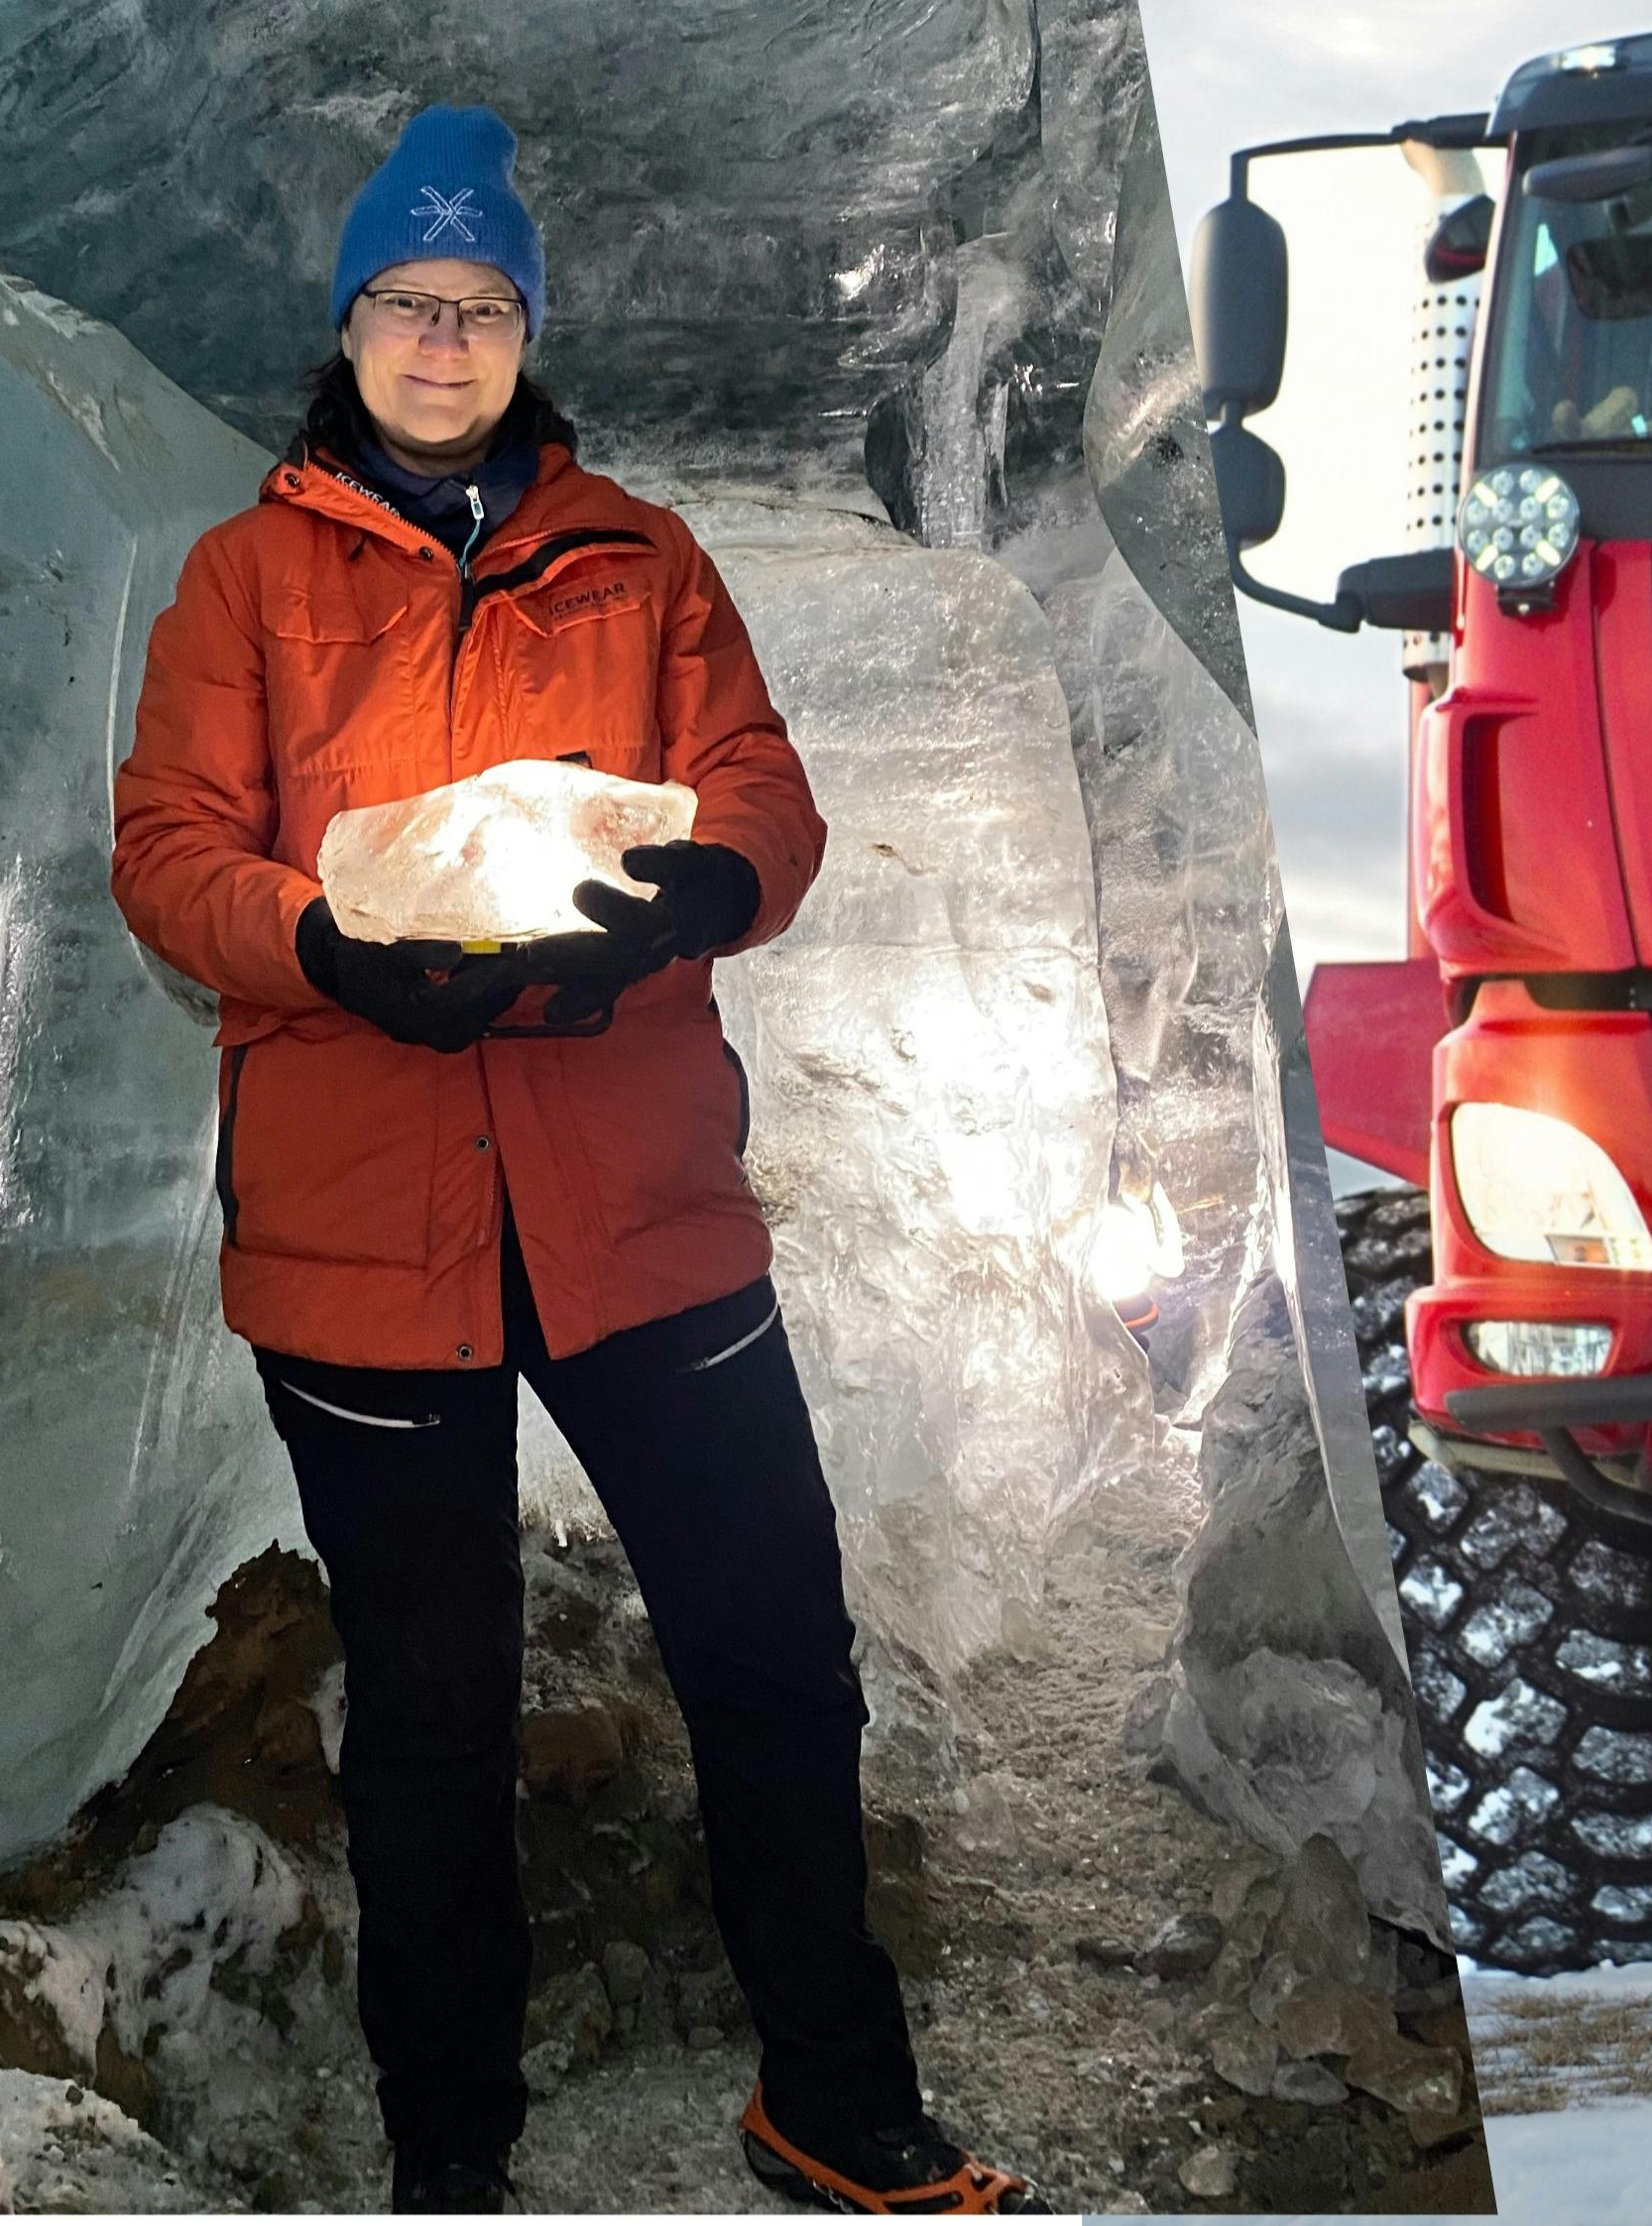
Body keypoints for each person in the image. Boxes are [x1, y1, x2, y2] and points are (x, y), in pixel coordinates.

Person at [108, 102, 1038, 2217]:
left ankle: (833, 2094)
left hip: (642, 1207)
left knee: (771, 1649)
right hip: (365, 1228)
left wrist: (710, 887)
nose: (443, 341)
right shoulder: (245, 580)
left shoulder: (640, 558)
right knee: (433, 1716)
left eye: (482, 306)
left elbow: (762, 791)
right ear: (351, 324)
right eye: (408, 302)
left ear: (527, 331)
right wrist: (328, 945)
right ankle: (452, 2149)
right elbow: (166, 853)